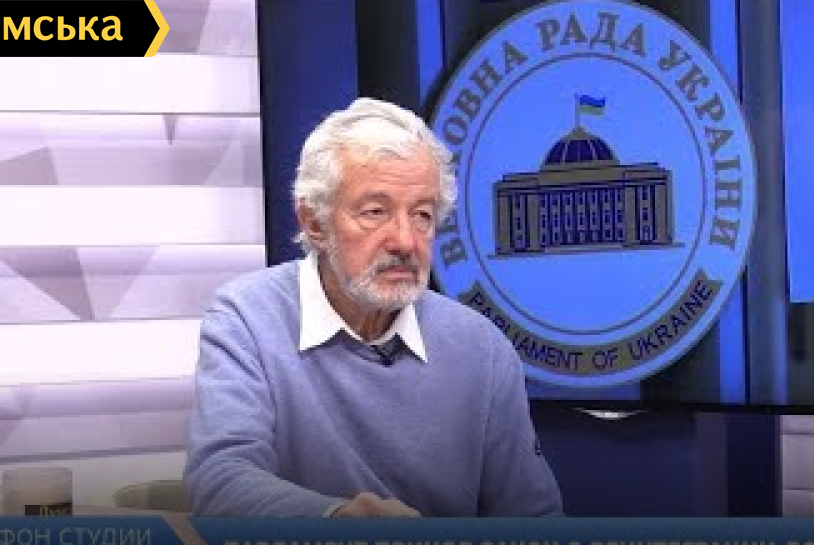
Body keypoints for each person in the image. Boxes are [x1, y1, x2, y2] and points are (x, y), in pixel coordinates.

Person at [183, 97, 564, 517]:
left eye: (422, 215)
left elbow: (535, 520)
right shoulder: (246, 319)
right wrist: (338, 524)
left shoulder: (481, 348)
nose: (405, 241)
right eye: (375, 212)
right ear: (314, 223)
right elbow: (220, 482)